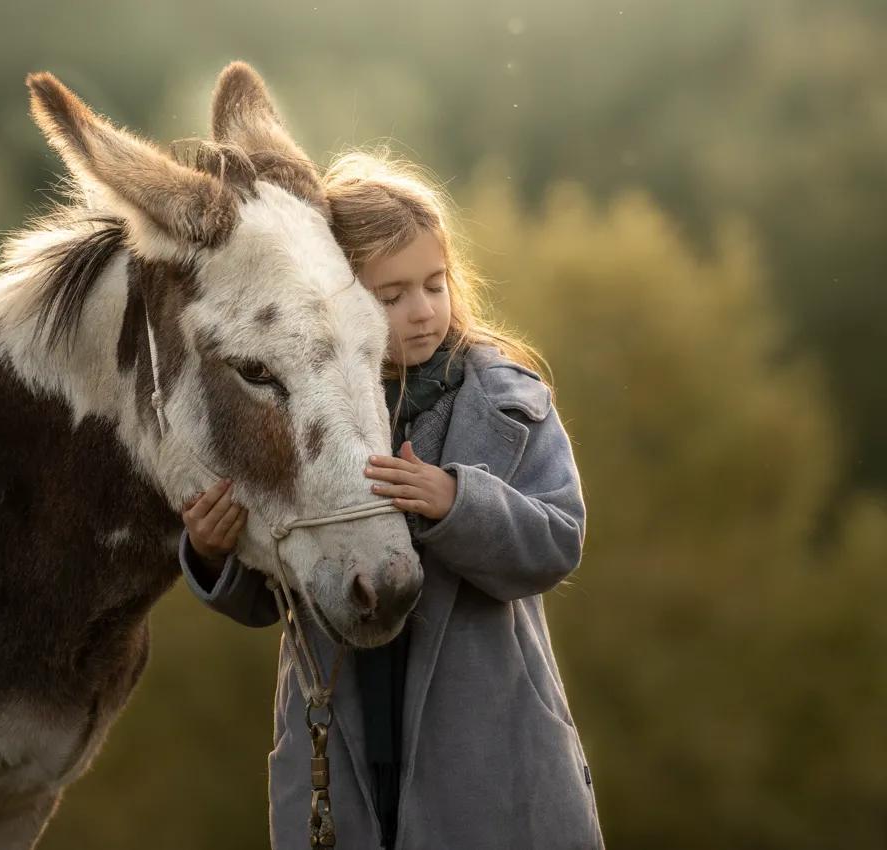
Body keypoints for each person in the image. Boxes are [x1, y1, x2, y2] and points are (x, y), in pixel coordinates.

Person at [179, 150, 603, 849]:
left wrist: (458, 503)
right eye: (390, 294)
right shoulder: (299, 419)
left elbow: (557, 543)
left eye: (435, 284)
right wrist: (212, 552)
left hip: (488, 757)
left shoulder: (508, 403)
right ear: (335, 297)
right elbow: (272, 601)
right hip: (339, 753)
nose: (422, 311)